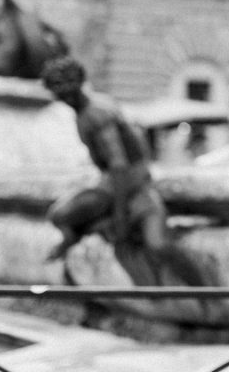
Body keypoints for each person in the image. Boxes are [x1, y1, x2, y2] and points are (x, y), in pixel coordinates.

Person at [41, 56, 204, 287]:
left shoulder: (95, 114)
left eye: (68, 90)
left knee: (158, 243)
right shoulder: (88, 110)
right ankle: (74, 238)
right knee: (60, 215)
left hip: (130, 184)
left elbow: (119, 165)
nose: (65, 97)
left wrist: (119, 213)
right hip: (119, 184)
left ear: (78, 85)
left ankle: (205, 291)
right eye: (59, 92)